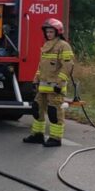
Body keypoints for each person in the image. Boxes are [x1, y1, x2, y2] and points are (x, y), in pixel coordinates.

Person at [23, 18, 74, 147]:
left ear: (58, 32)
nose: (49, 34)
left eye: (51, 31)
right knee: (37, 109)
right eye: (47, 32)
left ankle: (56, 138)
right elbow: (42, 66)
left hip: (56, 87)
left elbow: (67, 66)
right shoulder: (46, 45)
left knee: (54, 112)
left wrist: (59, 82)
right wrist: (36, 79)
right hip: (43, 86)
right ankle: (37, 135)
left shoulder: (63, 45)